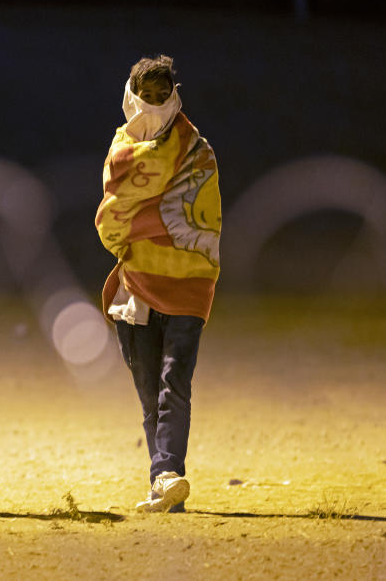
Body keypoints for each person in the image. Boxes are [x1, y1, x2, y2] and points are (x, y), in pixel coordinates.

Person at [94, 55, 221, 513]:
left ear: (174, 95)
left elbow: (199, 212)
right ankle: (163, 480)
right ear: (131, 96)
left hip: (189, 281)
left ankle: (167, 470)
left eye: (160, 97)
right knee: (150, 389)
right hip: (138, 284)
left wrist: (144, 222)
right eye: (144, 97)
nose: (151, 105)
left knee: (174, 382)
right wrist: (141, 225)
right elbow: (113, 216)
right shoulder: (120, 150)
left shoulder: (196, 152)